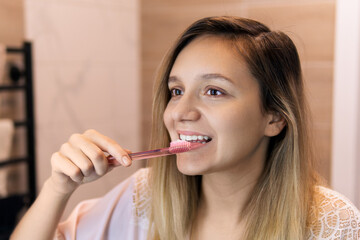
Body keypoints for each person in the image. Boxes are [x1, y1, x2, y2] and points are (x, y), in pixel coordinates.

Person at [11, 16, 360, 240]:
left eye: (213, 91)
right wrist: (58, 187)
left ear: (274, 117)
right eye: (176, 91)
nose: (179, 112)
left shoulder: (330, 225)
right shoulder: (142, 199)